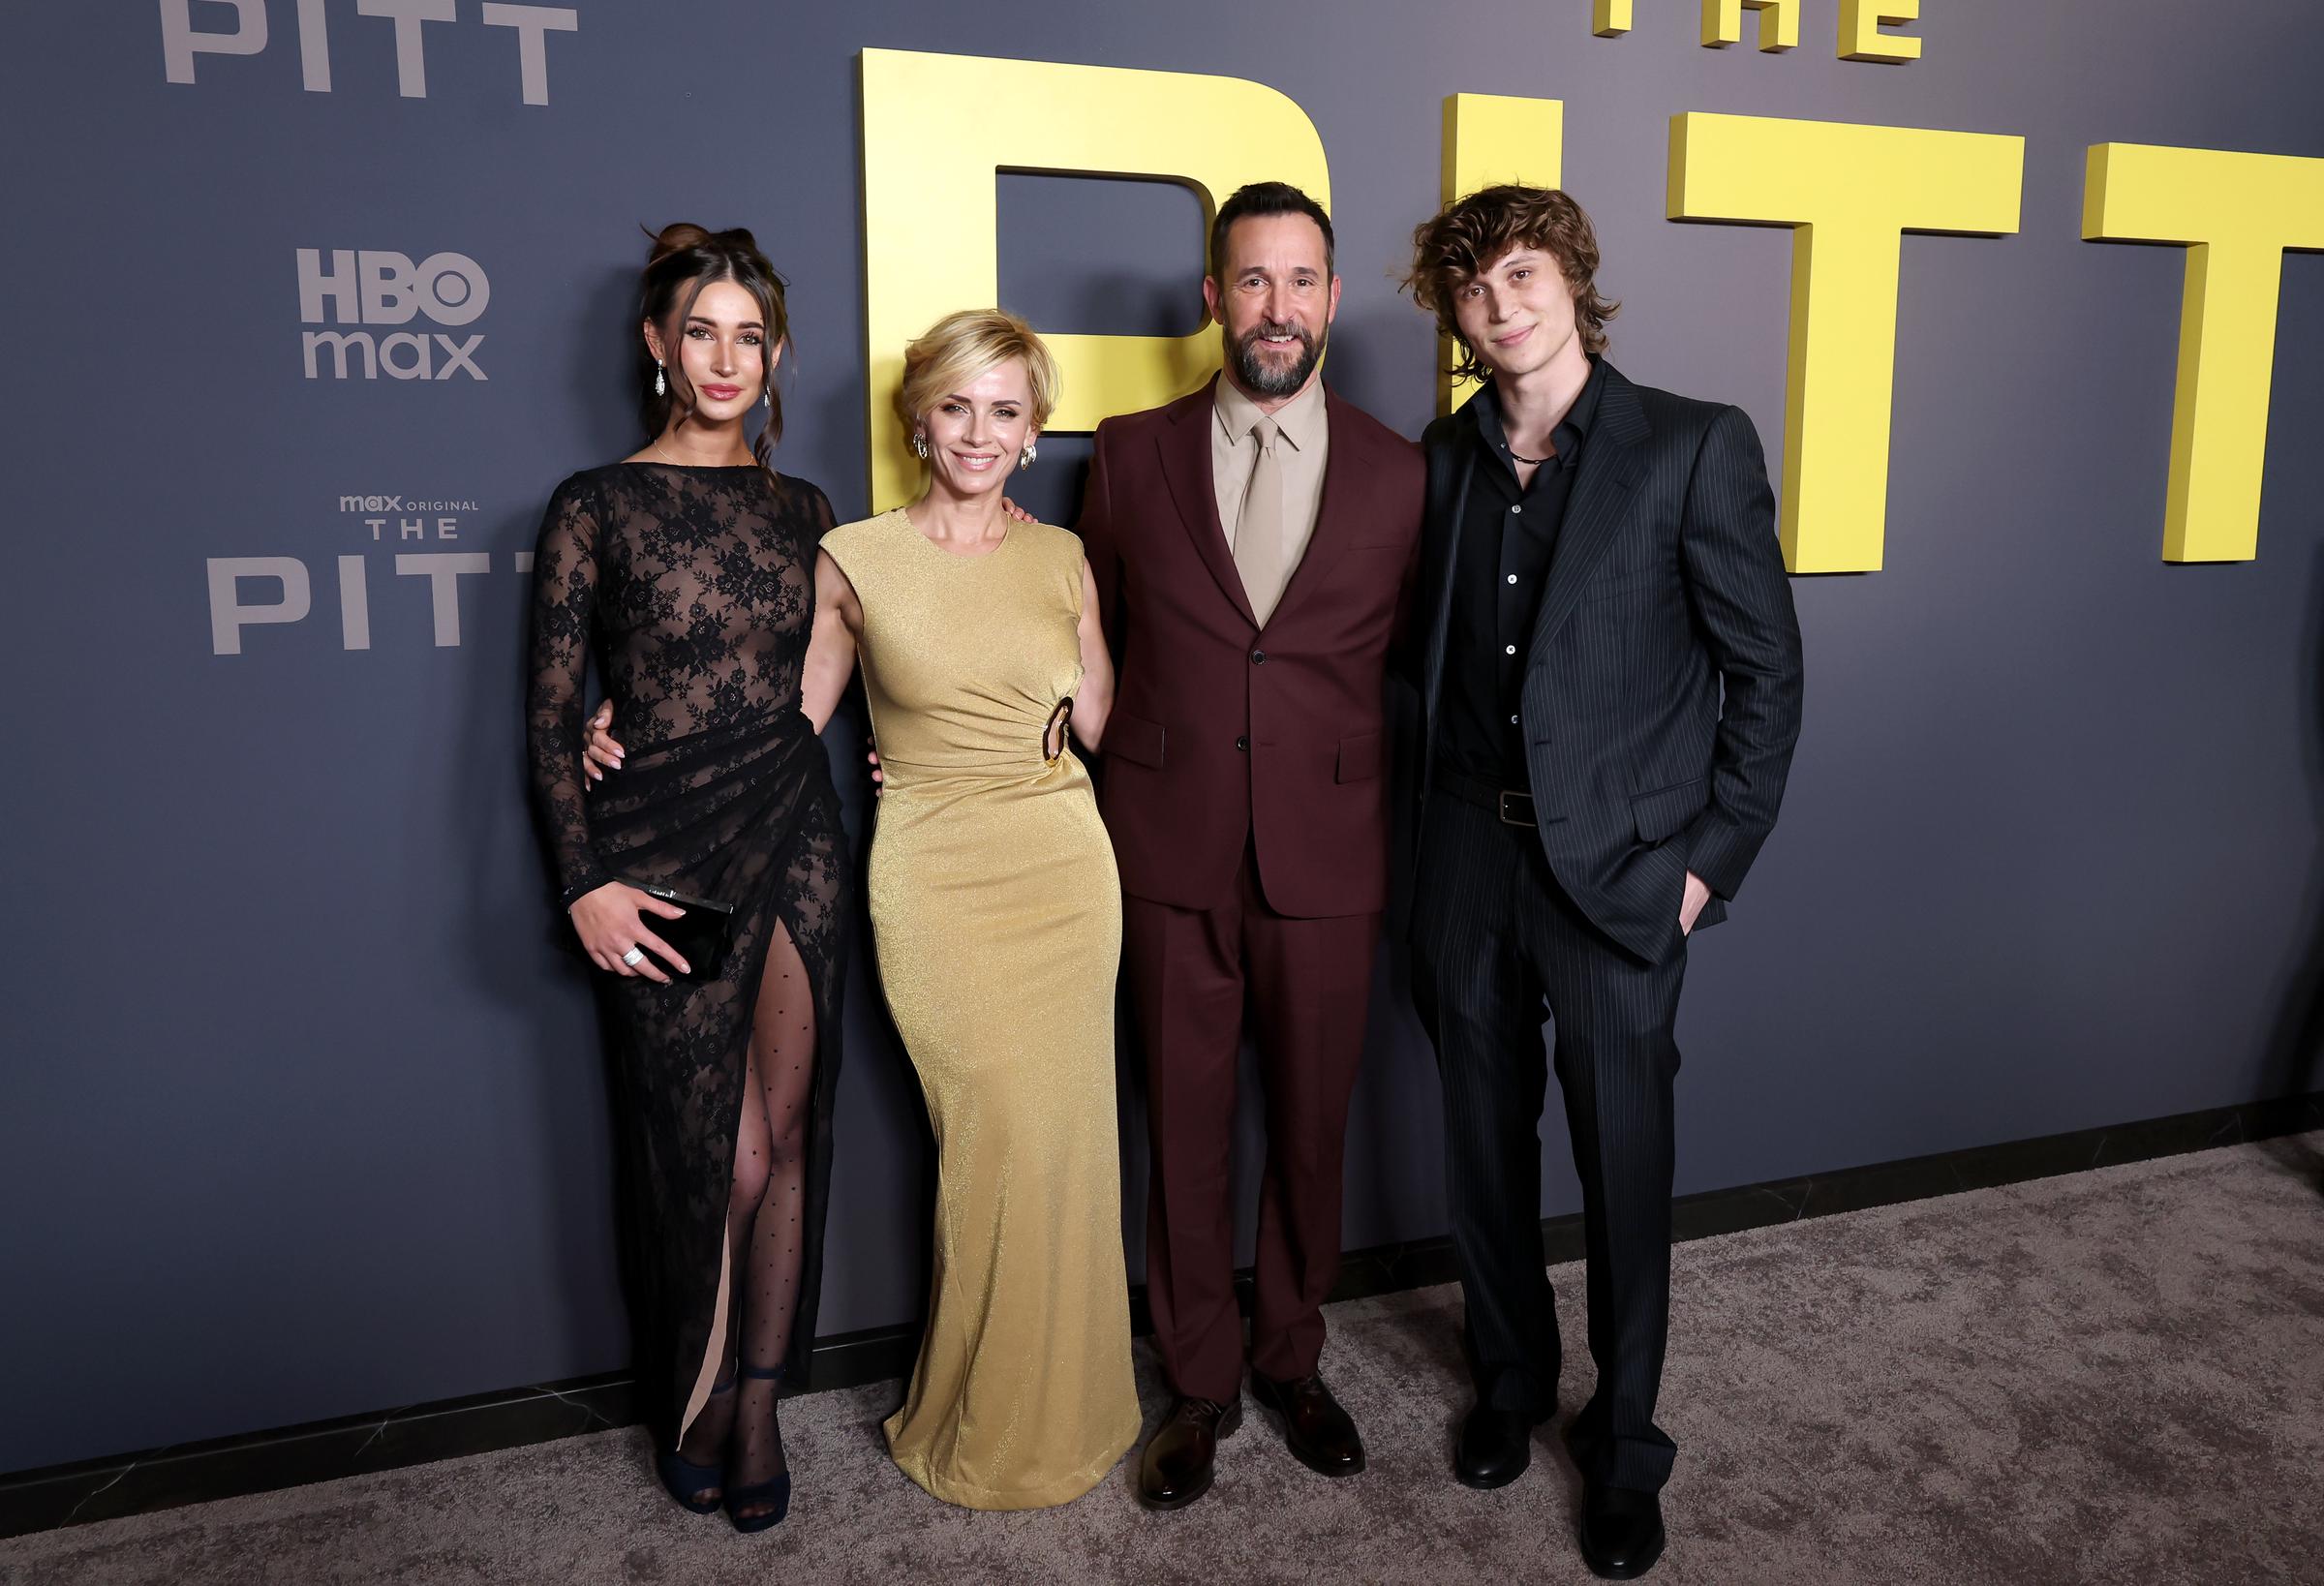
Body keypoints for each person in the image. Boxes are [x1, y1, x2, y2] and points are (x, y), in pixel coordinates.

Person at [596, 310, 1138, 1509]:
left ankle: (1072, 1404)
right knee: (990, 1140)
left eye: (1007, 411)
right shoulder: (854, 556)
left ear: (1036, 429)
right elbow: (778, 724)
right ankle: (979, 1414)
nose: (980, 434)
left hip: (1061, 866)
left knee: (1064, 1148)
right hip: (936, 878)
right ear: (919, 419)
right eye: (958, 407)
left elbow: (1103, 724)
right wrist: (624, 728)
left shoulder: (1061, 557)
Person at [1399, 186, 1805, 1578]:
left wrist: (1704, 868)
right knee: (1481, 1151)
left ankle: (1625, 1444)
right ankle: (1510, 1384)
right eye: (1472, 288)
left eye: (1521, 273)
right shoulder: (1441, 458)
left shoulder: (1692, 445)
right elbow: (1415, 669)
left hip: (1627, 880)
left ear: (1572, 279)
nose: (1501, 304)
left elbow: (1768, 675)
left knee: (1625, 1169)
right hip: (1465, 858)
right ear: (1452, 317)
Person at [1077, 182, 1425, 1510]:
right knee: (1185, 1125)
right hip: (1166, 846)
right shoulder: (1127, 452)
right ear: (1212, 298)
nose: (1276, 308)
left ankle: (1292, 1355)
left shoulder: (1405, 472)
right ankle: (1201, 1381)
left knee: (1314, 1128)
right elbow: (1083, 632)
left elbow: (1407, 664)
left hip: (1328, 853)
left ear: (1332, 301)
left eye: (1301, 282)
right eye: (1252, 280)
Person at [525, 225, 849, 1533]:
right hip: (655, 848)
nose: (727, 357)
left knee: (791, 1129)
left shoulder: (807, 508)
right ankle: (697, 1386)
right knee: (714, 1151)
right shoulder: (591, 504)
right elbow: (551, 721)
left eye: (749, 336)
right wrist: (582, 880)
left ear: (773, 359)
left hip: (795, 832)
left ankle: (760, 1398)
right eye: (702, 331)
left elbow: (886, 649)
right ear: (658, 345)